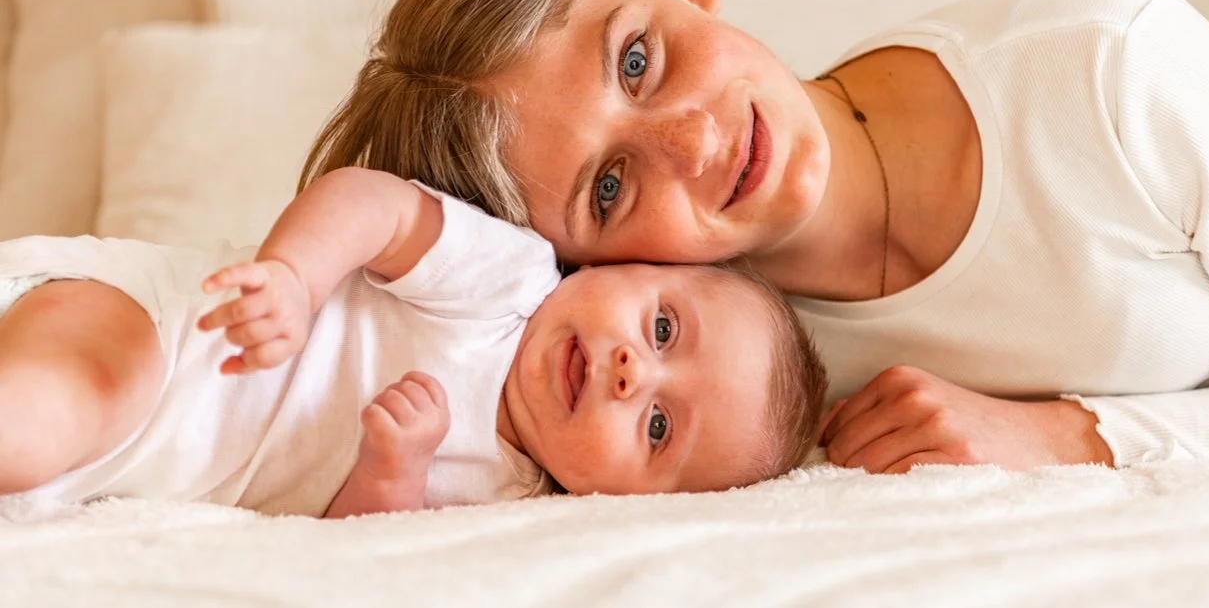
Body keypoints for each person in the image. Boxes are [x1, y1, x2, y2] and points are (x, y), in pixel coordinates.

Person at [301, 0, 1209, 474]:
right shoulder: (710, 376)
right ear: (572, 270)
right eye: (609, 188)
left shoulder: (1108, 71)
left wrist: (1069, 435)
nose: (695, 141)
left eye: (637, 60)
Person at [0, 168, 827, 515]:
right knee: (37, 424)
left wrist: (389, 472)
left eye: (657, 426)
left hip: (142, 461)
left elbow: (350, 538)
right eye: (662, 328)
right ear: (634, 264)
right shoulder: (511, 284)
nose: (629, 371)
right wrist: (295, 276)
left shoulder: (510, 499)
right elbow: (376, 203)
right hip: (162, 331)